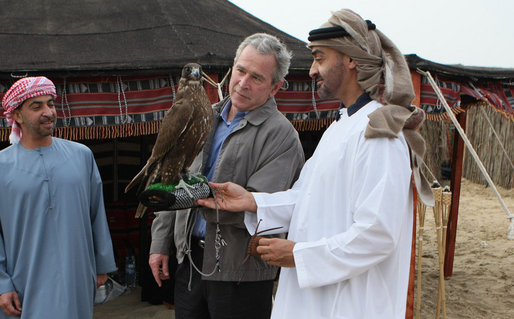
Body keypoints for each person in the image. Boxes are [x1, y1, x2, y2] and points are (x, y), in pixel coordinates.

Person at [197, 9, 433, 319]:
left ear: (350, 59)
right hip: (315, 301)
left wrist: (298, 254)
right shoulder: (341, 126)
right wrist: (252, 201)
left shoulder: (380, 134)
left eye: (320, 58)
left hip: (348, 304)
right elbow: (307, 199)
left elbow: (378, 234)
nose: (311, 70)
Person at [148, 33, 305, 318]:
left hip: (241, 272)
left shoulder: (282, 137)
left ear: (275, 87)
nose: (243, 83)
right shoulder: (202, 117)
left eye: (256, 78)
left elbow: (261, 209)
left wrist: (199, 195)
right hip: (191, 263)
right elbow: (173, 179)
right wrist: (160, 244)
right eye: (240, 71)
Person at [0, 76, 117, 318]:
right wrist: (3, 284)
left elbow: (97, 214)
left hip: (77, 273)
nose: (48, 112)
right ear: (17, 116)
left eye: (50, 104)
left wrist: (101, 265)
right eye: (37, 106)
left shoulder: (81, 156)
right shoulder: (2, 165)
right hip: (24, 279)